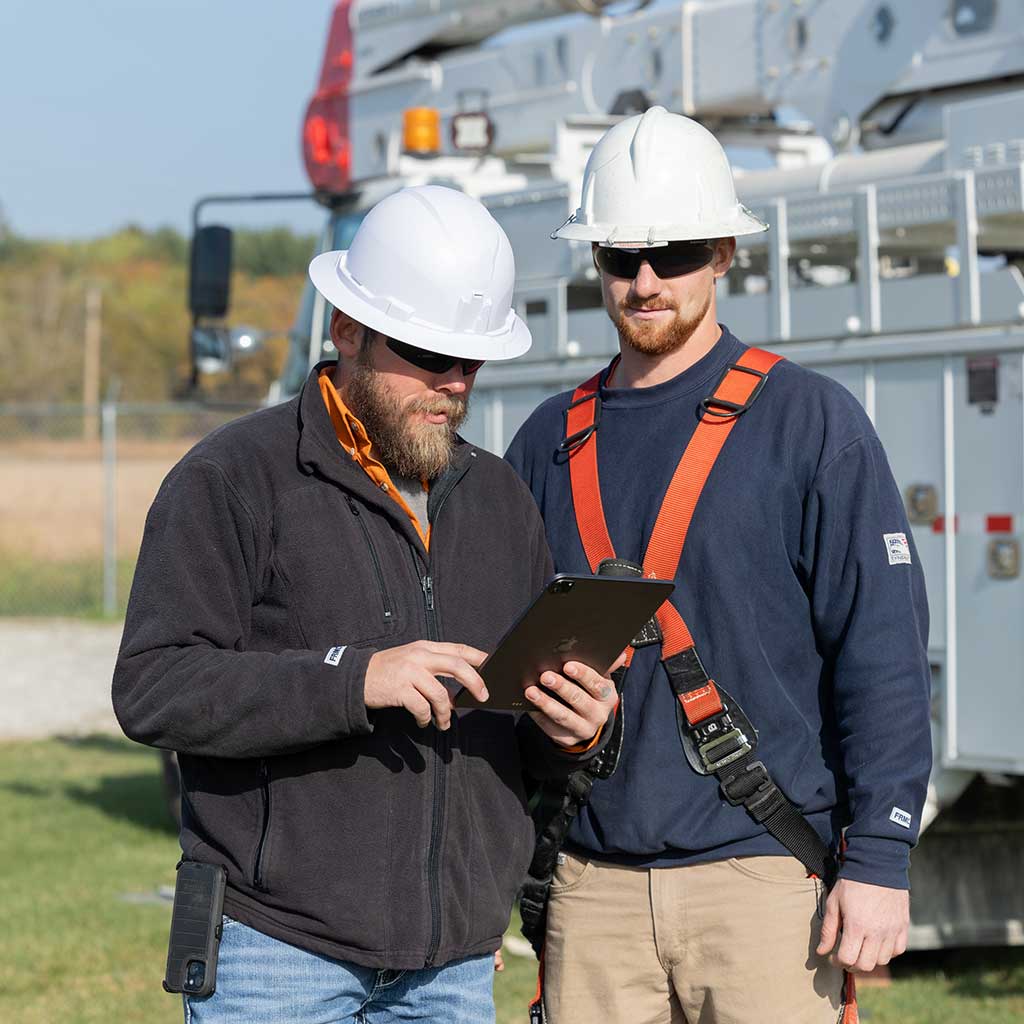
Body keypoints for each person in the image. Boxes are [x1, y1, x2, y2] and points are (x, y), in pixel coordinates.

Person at [112, 185, 618, 1024]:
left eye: (471, 361)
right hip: (275, 959)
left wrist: (575, 729)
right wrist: (356, 680)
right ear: (346, 329)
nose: (452, 385)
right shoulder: (231, 480)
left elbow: (515, 742)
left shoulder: (500, 499)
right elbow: (155, 687)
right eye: (426, 353)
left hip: (452, 968)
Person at [505, 107, 932, 1023]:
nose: (646, 280)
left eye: (678, 252)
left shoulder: (810, 422)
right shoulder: (545, 442)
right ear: (596, 262)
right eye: (622, 256)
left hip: (762, 886)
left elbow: (884, 654)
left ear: (727, 254)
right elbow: (504, 673)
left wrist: (881, 862)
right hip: (592, 887)